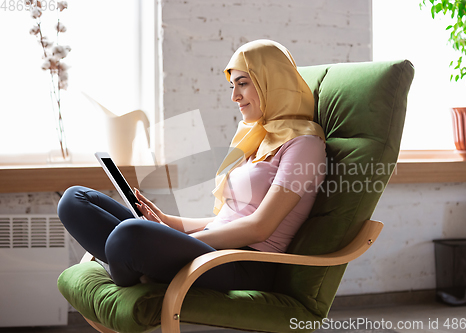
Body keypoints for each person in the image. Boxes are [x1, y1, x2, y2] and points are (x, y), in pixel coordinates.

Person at [58, 39, 326, 292]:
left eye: (242, 84)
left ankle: (134, 266)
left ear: (272, 82)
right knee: (74, 200)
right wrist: (167, 224)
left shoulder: (305, 144)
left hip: (244, 262)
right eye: (232, 86)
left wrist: (179, 243)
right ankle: (135, 267)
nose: (235, 96)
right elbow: (226, 220)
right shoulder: (257, 138)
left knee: (129, 234)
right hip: (214, 245)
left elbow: (260, 227)